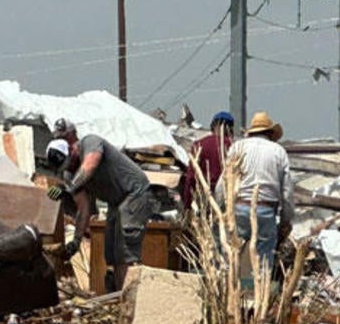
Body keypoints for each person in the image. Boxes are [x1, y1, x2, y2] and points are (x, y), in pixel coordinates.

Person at [44, 119, 155, 291]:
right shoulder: (70, 174)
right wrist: (76, 240)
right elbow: (84, 208)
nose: (70, 167)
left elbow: (91, 163)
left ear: (72, 150)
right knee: (112, 253)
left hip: (134, 192)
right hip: (116, 201)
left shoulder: (90, 142)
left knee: (127, 250)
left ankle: (133, 297)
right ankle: (120, 295)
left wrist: (69, 188)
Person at [216, 111, 293, 269]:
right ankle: (260, 290)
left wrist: (219, 208)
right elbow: (287, 193)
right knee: (263, 258)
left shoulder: (237, 147)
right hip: (266, 210)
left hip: (239, 207)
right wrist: (286, 220)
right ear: (270, 133)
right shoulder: (279, 151)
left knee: (233, 253)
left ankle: (232, 287)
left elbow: (224, 182)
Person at [181, 111, 235, 210]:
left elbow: (191, 178)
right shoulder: (233, 148)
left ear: (213, 125)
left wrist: (187, 205)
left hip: (204, 199)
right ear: (230, 128)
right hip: (227, 201)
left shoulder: (199, 145)